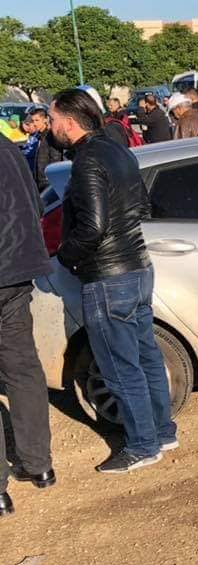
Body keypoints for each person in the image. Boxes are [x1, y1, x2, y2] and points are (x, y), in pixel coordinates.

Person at [50, 89, 178, 473]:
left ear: (68, 123)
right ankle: (163, 432)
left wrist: (66, 258)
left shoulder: (88, 161)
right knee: (146, 357)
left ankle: (142, 445)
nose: (50, 126)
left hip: (110, 277)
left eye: (52, 119)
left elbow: (92, 226)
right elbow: (142, 206)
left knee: (122, 368)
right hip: (137, 268)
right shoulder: (118, 151)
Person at [0, 134, 58, 515]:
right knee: (23, 369)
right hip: (15, 274)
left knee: (22, 370)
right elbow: (35, 203)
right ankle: (39, 465)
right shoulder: (9, 150)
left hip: (13, 272)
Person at [21, 107, 66, 191]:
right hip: (38, 181)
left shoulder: (50, 136)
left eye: (37, 120)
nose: (34, 124)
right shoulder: (39, 135)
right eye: (33, 121)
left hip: (47, 183)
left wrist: (49, 179)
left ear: (45, 120)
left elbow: (56, 160)